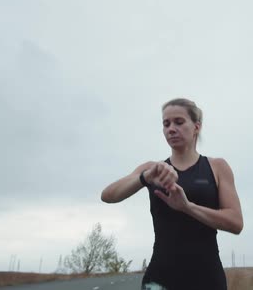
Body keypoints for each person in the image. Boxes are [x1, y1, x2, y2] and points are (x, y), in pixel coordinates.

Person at [101, 98, 243, 290]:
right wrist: (145, 178)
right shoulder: (152, 169)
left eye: (179, 122)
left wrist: (187, 207)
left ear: (196, 127)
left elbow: (236, 223)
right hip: (160, 278)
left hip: (206, 277)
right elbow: (108, 195)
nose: (171, 128)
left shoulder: (217, 167)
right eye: (166, 124)